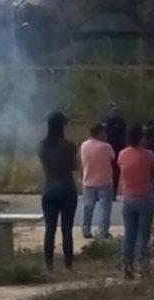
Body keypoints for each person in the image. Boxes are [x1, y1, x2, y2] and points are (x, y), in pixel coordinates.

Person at [39, 111, 78, 271]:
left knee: (50, 228)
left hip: (49, 188)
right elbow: (74, 166)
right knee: (67, 229)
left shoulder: (42, 146)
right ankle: (68, 265)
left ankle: (49, 265)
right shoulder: (69, 147)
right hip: (67, 187)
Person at [118, 124, 154, 280]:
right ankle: (143, 268)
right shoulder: (149, 155)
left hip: (128, 197)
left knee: (129, 234)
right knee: (143, 235)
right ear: (141, 137)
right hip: (145, 197)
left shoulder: (122, 154)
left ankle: (127, 267)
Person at [80, 124, 115, 239]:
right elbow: (112, 158)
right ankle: (103, 231)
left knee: (88, 207)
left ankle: (86, 229)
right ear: (99, 133)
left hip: (89, 181)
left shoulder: (84, 145)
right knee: (104, 208)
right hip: (105, 181)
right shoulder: (106, 146)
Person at [104, 104, 127, 197]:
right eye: (113, 111)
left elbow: (124, 134)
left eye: (116, 111)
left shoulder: (121, 122)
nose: (115, 112)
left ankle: (113, 192)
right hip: (108, 149)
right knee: (107, 171)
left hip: (118, 149)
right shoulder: (107, 122)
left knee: (116, 172)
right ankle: (107, 192)